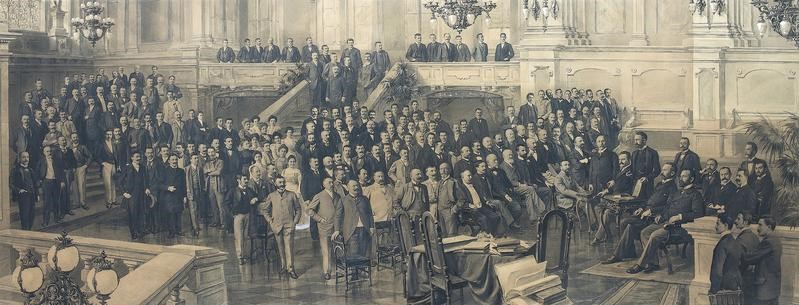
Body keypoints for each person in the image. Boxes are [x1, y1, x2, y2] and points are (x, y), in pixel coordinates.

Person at [625, 169, 704, 274]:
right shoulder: (678, 192)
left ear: (692, 179)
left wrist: (679, 216)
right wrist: (661, 216)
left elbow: (698, 214)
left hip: (680, 227)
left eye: (684, 176)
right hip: (666, 222)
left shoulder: (695, 194)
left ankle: (640, 264)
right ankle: (653, 263)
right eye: (680, 176)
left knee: (655, 235)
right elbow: (667, 207)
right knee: (644, 232)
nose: (680, 179)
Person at [602, 162, 676, 264]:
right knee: (625, 223)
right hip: (645, 213)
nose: (662, 172)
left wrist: (651, 211)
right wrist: (642, 208)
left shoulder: (672, 188)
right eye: (662, 169)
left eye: (665, 170)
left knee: (629, 225)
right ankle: (628, 252)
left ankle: (621, 254)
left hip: (654, 218)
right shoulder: (660, 184)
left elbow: (669, 207)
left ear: (672, 173)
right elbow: (649, 200)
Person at [262, 176, 302, 279]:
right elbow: (265, 210)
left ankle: (291, 268)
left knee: (289, 248)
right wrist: (270, 221)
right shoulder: (271, 196)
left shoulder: (292, 195)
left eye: (283, 182)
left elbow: (298, 209)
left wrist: (294, 222)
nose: (282, 184)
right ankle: (284, 266)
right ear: (275, 184)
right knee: (280, 247)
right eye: (279, 182)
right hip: (277, 226)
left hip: (289, 226)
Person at [308, 177, 344, 280]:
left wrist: (338, 227)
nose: (331, 184)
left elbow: (340, 211)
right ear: (324, 185)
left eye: (332, 182)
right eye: (329, 183)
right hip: (324, 227)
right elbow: (310, 210)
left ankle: (340, 270)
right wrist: (319, 219)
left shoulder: (337, 196)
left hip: (336, 227)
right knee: (326, 251)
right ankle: (327, 272)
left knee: (339, 249)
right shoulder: (319, 196)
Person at [743, 217, 782, 305]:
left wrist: (737, 253)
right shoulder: (777, 240)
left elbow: (751, 258)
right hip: (773, 287)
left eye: (760, 225)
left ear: (769, 227)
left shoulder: (768, 242)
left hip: (765, 288)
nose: (758, 228)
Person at [118, 151, 151, 241]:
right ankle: (133, 233)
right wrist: (124, 193)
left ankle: (140, 231)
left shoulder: (143, 168)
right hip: (131, 195)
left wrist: (147, 188)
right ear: (132, 158)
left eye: (139, 156)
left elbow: (146, 180)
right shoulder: (127, 168)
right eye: (136, 157)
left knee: (141, 213)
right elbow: (119, 181)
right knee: (132, 214)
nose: (138, 158)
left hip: (141, 195)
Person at [456, 169, 501, 235]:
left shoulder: (474, 186)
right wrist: (470, 205)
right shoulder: (461, 189)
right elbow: (462, 202)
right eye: (468, 176)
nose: (471, 177)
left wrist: (486, 202)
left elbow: (481, 197)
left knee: (495, 216)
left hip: (481, 207)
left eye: (471, 175)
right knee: (483, 218)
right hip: (471, 210)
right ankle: (486, 234)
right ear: (463, 177)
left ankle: (492, 233)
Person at [709, 214, 744, 294]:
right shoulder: (734, 241)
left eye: (718, 224)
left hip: (723, 286)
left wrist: (713, 290)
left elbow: (718, 270)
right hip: (735, 284)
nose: (715, 226)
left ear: (726, 225)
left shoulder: (723, 244)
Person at [227, 174, 257, 264]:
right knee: (239, 237)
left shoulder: (249, 190)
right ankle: (240, 256)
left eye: (247, 179)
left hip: (248, 215)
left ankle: (245, 255)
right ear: (238, 180)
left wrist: (255, 199)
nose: (247, 181)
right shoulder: (233, 191)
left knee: (246, 236)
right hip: (238, 216)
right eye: (244, 179)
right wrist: (232, 214)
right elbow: (226, 203)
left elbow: (257, 196)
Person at [340, 180, 374, 258]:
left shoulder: (365, 199)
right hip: (351, 230)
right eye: (354, 186)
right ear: (348, 187)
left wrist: (372, 227)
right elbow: (338, 216)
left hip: (364, 229)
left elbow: (369, 214)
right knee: (353, 253)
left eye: (357, 186)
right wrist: (337, 230)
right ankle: (354, 266)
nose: (356, 187)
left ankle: (363, 265)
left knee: (364, 252)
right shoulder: (343, 200)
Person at [10, 152, 38, 230]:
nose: (26, 159)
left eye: (27, 157)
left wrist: (37, 194)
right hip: (23, 196)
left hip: (32, 194)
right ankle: (25, 231)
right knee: (24, 215)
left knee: (32, 214)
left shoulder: (31, 169)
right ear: (19, 159)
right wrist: (19, 190)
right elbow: (11, 184)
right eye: (24, 157)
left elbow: (35, 183)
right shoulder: (15, 170)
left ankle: (29, 229)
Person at [631, 131, 660, 199]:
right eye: (635, 140)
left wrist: (647, 178)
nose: (635, 142)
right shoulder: (634, 153)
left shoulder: (652, 153)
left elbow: (657, 170)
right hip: (635, 184)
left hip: (647, 185)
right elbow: (632, 169)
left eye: (637, 140)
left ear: (644, 140)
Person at [185, 153, 205, 236]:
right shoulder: (187, 169)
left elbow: (202, 180)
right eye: (194, 158)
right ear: (190, 159)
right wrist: (187, 191)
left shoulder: (199, 168)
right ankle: (195, 228)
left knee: (197, 209)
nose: (196, 160)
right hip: (191, 191)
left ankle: (196, 225)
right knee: (193, 209)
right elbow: (186, 181)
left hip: (199, 191)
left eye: (197, 158)